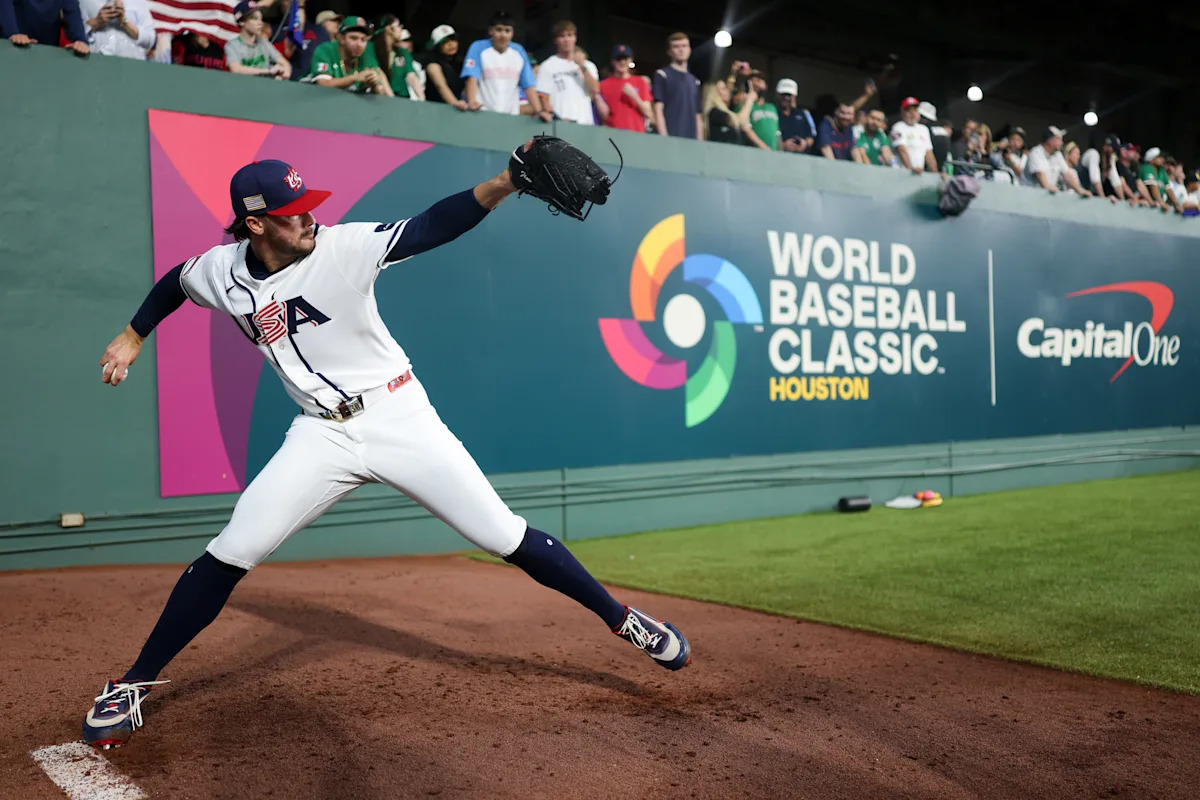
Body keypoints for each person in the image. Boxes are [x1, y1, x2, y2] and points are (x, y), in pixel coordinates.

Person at [82, 150, 693, 750]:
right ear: (255, 224)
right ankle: (132, 684)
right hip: (320, 433)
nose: (310, 220)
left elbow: (432, 224)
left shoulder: (342, 248)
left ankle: (624, 620)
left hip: (399, 416)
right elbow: (176, 283)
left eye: (309, 206)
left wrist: (506, 182)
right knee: (232, 548)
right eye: (294, 213)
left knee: (502, 535)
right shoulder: (221, 270)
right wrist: (133, 334)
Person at [462, 11, 548, 121]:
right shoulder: (478, 47)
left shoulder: (519, 51)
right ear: (490, 31)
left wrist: (539, 111)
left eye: (507, 30)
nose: (503, 34)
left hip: (510, 118)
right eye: (499, 30)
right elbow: (471, 78)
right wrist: (472, 101)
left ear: (512, 33)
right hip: (482, 114)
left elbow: (528, 85)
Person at [306, 15, 389, 95]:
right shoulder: (326, 50)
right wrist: (355, 77)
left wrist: (374, 86)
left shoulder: (366, 56)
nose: (359, 44)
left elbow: (381, 94)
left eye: (363, 40)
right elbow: (323, 85)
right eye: (354, 38)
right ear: (341, 38)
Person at [651, 31, 702, 139]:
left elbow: (698, 115)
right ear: (669, 52)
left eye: (684, 46)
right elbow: (658, 109)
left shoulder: (695, 81)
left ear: (689, 50)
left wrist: (700, 142)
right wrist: (664, 138)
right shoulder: (662, 75)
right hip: (671, 135)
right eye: (676, 46)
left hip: (691, 139)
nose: (681, 50)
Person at [225, 1, 289, 79]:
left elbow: (285, 64)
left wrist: (283, 73)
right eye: (255, 18)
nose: (260, 23)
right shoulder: (232, 45)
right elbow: (236, 69)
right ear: (242, 22)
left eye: (261, 19)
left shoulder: (264, 43)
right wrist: (268, 71)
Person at [597, 43, 653, 133]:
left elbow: (648, 113)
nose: (622, 62)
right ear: (612, 61)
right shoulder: (603, 85)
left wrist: (634, 96)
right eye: (618, 59)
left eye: (625, 59)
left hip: (636, 134)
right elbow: (603, 117)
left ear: (630, 60)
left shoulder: (640, 82)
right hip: (612, 134)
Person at [0, 0, 90, 54]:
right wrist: (12, 34)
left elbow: (72, 13)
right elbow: (5, 8)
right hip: (12, 49)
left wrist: (80, 41)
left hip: (47, 54)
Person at [80, 0, 154, 58]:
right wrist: (96, 21)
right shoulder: (85, 2)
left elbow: (151, 40)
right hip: (97, 61)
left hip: (132, 64)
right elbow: (73, 33)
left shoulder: (138, 2)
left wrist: (125, 23)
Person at [372, 14, 422, 99]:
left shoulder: (403, 52)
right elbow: (378, 72)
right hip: (382, 98)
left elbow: (412, 76)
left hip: (403, 98)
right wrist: (392, 100)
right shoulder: (372, 49)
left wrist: (422, 99)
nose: (401, 30)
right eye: (398, 26)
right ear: (389, 29)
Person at [890, 96, 937, 174]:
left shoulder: (923, 129)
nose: (912, 113)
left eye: (915, 110)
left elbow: (929, 153)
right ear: (902, 112)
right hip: (902, 174)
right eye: (908, 110)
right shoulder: (897, 128)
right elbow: (902, 150)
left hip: (918, 173)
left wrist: (935, 173)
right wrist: (910, 169)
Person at [423, 23, 466, 108]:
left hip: (456, 110)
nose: (451, 44)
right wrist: (456, 104)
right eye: (445, 42)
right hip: (435, 111)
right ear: (437, 46)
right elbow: (441, 87)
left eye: (453, 39)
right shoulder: (433, 64)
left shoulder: (460, 63)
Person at [775, 78, 816, 155]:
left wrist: (804, 143)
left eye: (789, 95)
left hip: (802, 158)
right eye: (784, 94)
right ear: (777, 94)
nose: (786, 98)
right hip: (779, 156)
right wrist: (783, 145)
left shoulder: (803, 113)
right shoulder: (772, 113)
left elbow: (811, 137)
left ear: (794, 96)